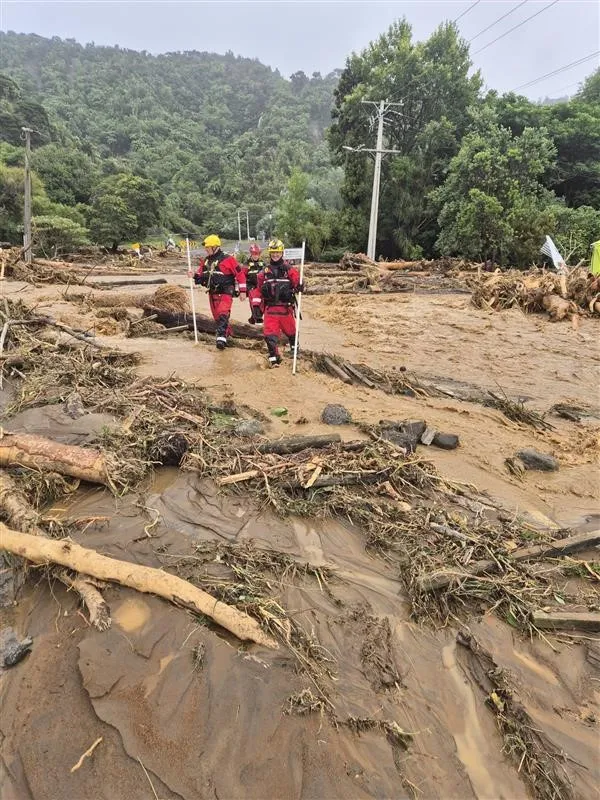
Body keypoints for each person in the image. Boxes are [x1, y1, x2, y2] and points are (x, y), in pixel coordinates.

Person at [194, 234, 247, 350]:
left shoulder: (229, 259)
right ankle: (227, 334)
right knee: (217, 317)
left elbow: (240, 275)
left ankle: (221, 338)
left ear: (215, 247)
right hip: (212, 293)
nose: (206, 250)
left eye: (207, 247)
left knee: (223, 313)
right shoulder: (206, 261)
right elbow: (200, 275)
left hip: (226, 291)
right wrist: (193, 276)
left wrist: (243, 291)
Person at [257, 238, 303, 368]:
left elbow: (297, 282)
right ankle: (274, 359)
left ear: (282, 252)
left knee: (291, 332)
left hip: (285, 309)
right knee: (269, 336)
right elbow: (258, 290)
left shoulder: (289, 269)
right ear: (270, 253)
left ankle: (295, 349)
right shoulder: (263, 273)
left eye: (278, 252)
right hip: (270, 310)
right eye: (273, 252)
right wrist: (256, 308)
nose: (275, 255)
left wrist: (300, 286)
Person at [246, 243, 265, 324]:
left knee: (262, 302)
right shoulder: (247, 264)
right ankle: (257, 318)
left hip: (261, 286)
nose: (255, 256)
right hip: (251, 286)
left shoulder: (263, 263)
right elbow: (242, 275)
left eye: (257, 254)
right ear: (251, 254)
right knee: (254, 302)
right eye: (254, 254)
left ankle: (253, 318)